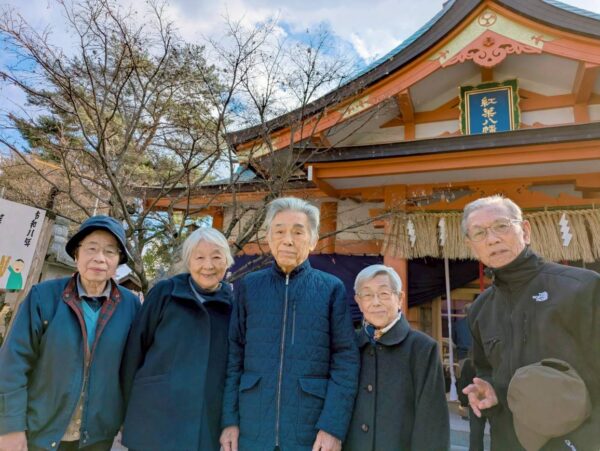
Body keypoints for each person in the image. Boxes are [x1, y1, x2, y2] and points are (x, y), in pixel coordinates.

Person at [461, 195, 600, 450]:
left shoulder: (581, 288)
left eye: (501, 226)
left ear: (525, 231)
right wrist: (491, 390)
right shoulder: (481, 309)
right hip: (507, 441)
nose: (492, 239)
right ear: (471, 245)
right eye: (479, 233)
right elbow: (485, 370)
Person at [220, 197, 359, 451]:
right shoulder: (250, 286)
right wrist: (229, 421)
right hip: (253, 426)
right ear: (268, 237)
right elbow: (234, 356)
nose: (288, 240)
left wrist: (332, 427)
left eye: (298, 232)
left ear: (313, 240)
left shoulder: (330, 288)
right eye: (279, 231)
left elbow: (345, 360)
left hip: (309, 430)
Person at [0, 215, 141, 451]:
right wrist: (10, 427)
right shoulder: (43, 297)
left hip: (97, 437)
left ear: (118, 261)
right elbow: (13, 364)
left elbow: (133, 369)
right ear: (76, 254)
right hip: (40, 431)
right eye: (91, 249)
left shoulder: (131, 306)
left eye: (109, 251)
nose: (100, 258)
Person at [120, 227, 234, 451]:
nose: (208, 265)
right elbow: (134, 350)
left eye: (216, 257)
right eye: (199, 257)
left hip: (203, 423)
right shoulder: (165, 292)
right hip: (154, 417)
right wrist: (124, 411)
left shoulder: (233, 306)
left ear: (227, 261)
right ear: (188, 261)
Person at [344, 264, 449, 451]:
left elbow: (432, 422)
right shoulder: (348, 345)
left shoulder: (422, 349)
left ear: (400, 298)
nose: (375, 302)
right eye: (367, 295)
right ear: (358, 302)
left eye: (384, 294)